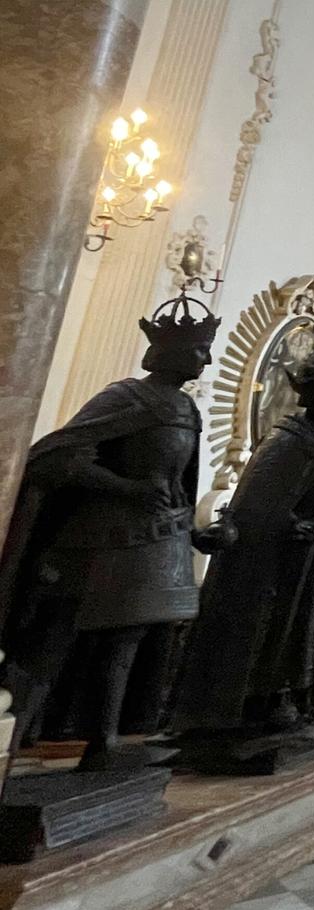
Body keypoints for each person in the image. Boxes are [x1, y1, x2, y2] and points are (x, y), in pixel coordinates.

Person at [1, 295, 225, 769]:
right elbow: (57, 457)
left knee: (125, 646)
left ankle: (103, 742)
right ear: (169, 352)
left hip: (154, 547)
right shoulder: (125, 397)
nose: (205, 361)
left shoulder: (187, 409)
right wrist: (127, 488)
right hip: (97, 542)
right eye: (199, 350)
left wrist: (198, 534)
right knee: (52, 643)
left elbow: (180, 488)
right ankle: (11, 743)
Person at [172, 341, 314, 734]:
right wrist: (292, 524)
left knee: (311, 627)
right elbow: (255, 505)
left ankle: (295, 697)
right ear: (307, 394)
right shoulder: (287, 439)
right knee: (275, 627)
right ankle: (260, 701)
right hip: (283, 561)